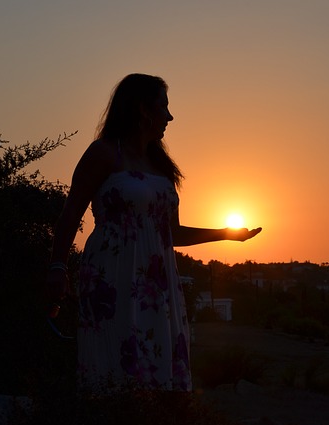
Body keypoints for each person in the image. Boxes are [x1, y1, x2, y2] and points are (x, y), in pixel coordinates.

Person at [46, 73, 261, 393]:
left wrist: (227, 235)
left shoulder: (161, 166)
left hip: (157, 281)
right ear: (142, 109)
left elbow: (171, 232)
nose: (170, 116)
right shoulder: (104, 153)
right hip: (113, 271)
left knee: (157, 362)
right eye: (164, 107)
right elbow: (68, 217)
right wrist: (58, 268)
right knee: (114, 366)